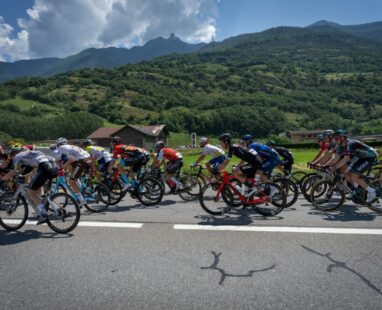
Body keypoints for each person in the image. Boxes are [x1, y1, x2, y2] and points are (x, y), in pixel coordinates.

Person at [0, 146, 58, 224]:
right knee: (36, 187)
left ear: (13, 153)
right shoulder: (30, 154)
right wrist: (23, 175)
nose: (11, 157)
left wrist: (1, 179)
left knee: (31, 191)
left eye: (11, 155)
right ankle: (55, 208)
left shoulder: (18, 156)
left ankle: (43, 214)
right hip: (54, 167)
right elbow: (29, 170)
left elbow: (12, 172)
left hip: (45, 169)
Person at [329, 130, 378, 203]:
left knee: (353, 175)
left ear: (343, 138)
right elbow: (336, 157)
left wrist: (335, 167)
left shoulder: (350, 144)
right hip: (360, 157)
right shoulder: (341, 145)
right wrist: (326, 165)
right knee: (346, 172)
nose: (335, 140)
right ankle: (356, 190)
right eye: (334, 139)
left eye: (336, 138)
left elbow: (346, 159)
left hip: (369, 157)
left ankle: (372, 191)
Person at [56, 137, 91, 207]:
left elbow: (57, 159)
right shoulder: (70, 147)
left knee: (71, 181)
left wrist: (60, 168)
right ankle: (82, 189)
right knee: (72, 171)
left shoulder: (61, 147)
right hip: (88, 160)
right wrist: (65, 168)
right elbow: (72, 160)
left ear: (58, 144)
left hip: (82, 161)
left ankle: (81, 200)